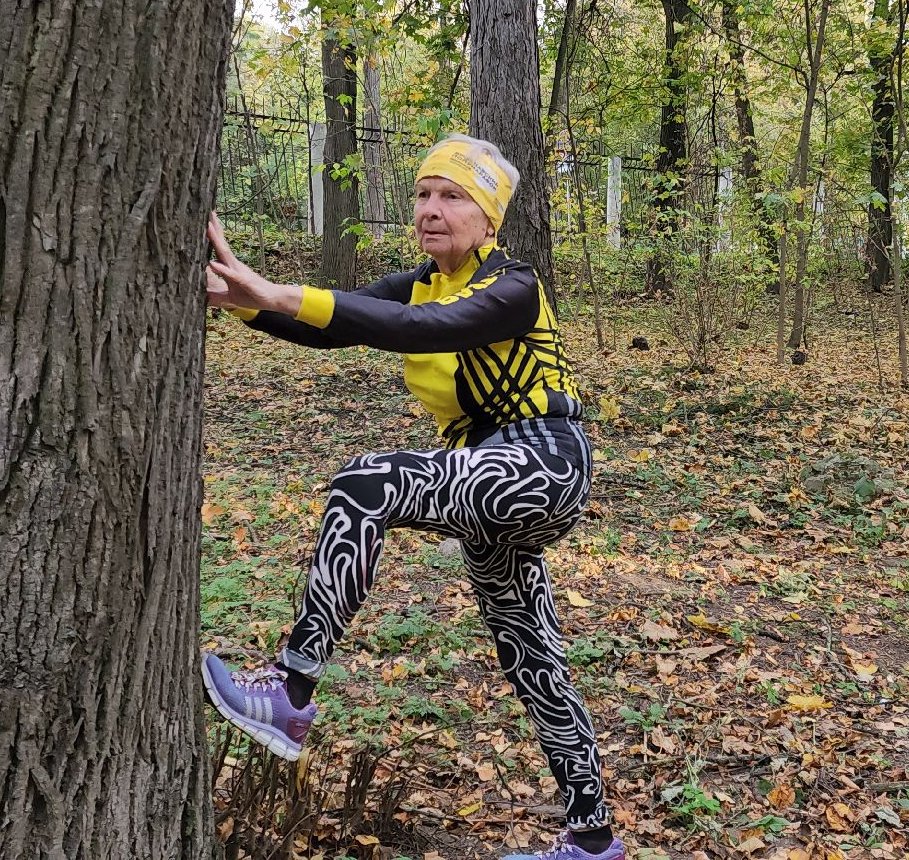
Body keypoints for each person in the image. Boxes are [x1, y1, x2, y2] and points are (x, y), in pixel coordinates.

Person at [200, 134, 626, 860]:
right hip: (482, 482)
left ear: (488, 219)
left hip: (544, 462)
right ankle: (593, 840)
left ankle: (291, 691)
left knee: (367, 480)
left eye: (453, 196)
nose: (431, 209)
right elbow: (338, 327)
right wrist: (245, 302)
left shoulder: (513, 286)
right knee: (532, 660)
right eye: (424, 193)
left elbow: (424, 330)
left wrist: (277, 291)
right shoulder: (419, 281)